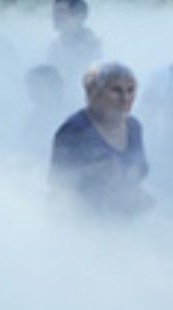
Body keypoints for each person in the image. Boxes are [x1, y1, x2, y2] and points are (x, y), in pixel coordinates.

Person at [50, 61, 152, 216]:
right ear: (93, 92)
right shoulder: (75, 130)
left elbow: (138, 173)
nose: (125, 98)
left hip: (127, 219)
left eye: (131, 90)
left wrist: (139, 195)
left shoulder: (133, 127)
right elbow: (58, 183)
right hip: (87, 221)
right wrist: (93, 174)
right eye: (116, 90)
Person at [47, 0, 102, 82]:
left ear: (79, 16)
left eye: (61, 12)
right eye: (54, 12)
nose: (55, 16)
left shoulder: (89, 44)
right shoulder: (55, 45)